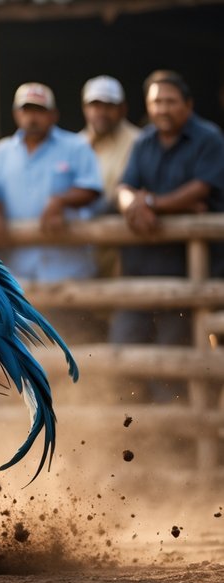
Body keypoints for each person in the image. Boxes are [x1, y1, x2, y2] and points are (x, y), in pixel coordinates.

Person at [112, 70, 224, 403]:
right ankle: (129, 444)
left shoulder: (209, 138)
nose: (162, 108)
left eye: (170, 101)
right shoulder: (143, 141)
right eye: (156, 102)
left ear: (187, 104)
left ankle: (177, 447)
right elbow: (122, 188)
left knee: (172, 363)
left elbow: (203, 188)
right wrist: (133, 202)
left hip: (189, 277)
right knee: (123, 356)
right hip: (138, 275)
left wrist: (151, 202)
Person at [0, 83, 103, 280]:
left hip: (68, 272)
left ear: (53, 115)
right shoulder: (2, 152)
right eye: (27, 110)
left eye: (40, 110)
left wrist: (61, 201)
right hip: (16, 271)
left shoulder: (76, 146)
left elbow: (92, 188)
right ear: (16, 113)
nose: (32, 117)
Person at [80, 75, 143, 279]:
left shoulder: (140, 142)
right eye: (95, 105)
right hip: (80, 246)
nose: (101, 112)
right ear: (85, 108)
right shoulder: (73, 145)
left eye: (109, 105)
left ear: (122, 108)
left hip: (124, 246)